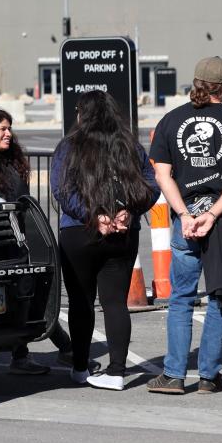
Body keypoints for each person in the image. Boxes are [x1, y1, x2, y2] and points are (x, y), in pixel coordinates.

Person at [146, 56, 222, 395]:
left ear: (196, 81)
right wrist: (212, 214)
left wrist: (184, 214)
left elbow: (162, 174)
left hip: (186, 219)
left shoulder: (171, 121)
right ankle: (209, 376)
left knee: (181, 297)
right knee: (220, 296)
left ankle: (174, 375)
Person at [51, 91, 158, 390]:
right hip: (123, 235)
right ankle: (116, 372)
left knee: (80, 303)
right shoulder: (129, 146)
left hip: (78, 232)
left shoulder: (69, 146)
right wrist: (128, 212)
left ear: (83, 113)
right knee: (115, 303)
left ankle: (80, 367)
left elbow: (62, 190)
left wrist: (94, 217)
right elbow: (151, 184)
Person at [0, 108, 73, 374]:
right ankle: (49, 351)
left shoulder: (10, 162)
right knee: (23, 299)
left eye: (10, 128)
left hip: (18, 244)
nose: (9, 134)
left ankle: (49, 352)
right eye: (2, 129)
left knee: (33, 295)